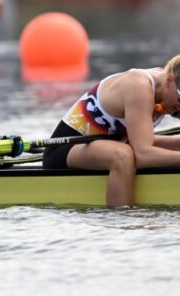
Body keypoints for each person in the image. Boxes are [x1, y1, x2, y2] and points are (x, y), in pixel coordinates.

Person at [43, 55, 180, 207]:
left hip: (108, 144)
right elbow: (143, 155)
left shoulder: (167, 88)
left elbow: (141, 143)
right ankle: (124, 222)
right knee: (123, 156)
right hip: (63, 150)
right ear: (169, 82)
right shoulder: (139, 86)